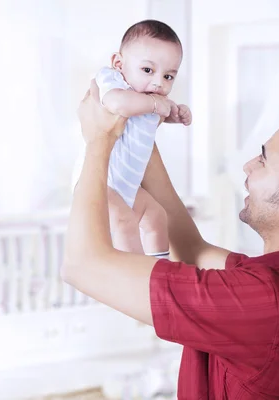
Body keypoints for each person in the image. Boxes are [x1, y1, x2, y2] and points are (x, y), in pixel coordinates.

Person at [63, 78, 279, 398]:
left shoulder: (269, 302)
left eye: (263, 160)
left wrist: (98, 141)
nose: (247, 166)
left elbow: (82, 265)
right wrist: (141, 123)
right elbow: (191, 248)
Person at [71, 19, 191, 258]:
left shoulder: (148, 98)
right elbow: (117, 103)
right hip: (99, 183)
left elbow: (150, 115)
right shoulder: (113, 81)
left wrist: (174, 113)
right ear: (119, 63)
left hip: (126, 185)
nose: (158, 82)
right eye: (148, 70)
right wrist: (158, 104)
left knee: (157, 216)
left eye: (168, 76)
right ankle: (135, 277)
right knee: (125, 221)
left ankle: (160, 269)